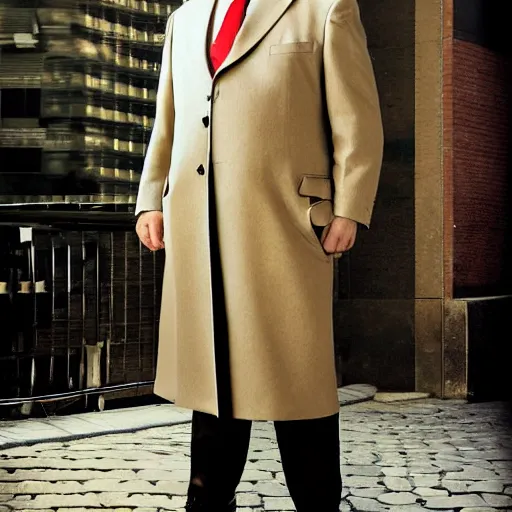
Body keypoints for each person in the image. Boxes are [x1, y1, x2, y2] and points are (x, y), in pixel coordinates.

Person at [135, 0, 383, 509]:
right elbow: (168, 121)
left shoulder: (326, 8)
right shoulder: (183, 20)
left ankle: (318, 503)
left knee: (299, 386)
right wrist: (150, 199)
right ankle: (204, 500)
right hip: (200, 233)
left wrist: (351, 207)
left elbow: (357, 119)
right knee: (213, 384)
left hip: (285, 229)